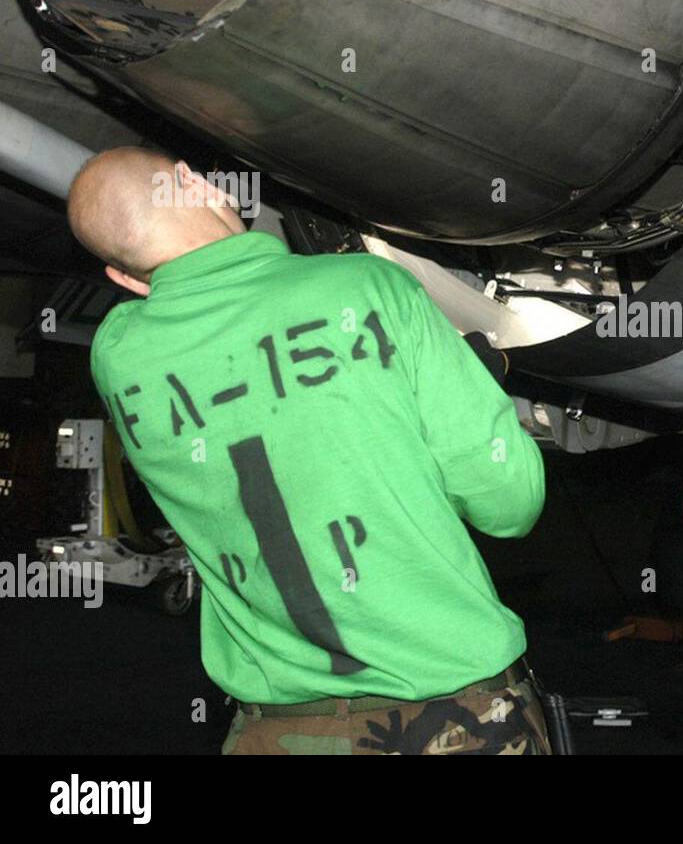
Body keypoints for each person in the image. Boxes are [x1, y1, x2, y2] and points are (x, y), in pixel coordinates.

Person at [67, 147, 550, 755]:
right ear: (194, 182)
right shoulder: (370, 287)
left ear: (123, 279)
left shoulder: (117, 355)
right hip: (453, 718)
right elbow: (510, 505)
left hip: (272, 733)